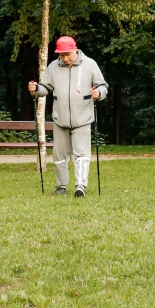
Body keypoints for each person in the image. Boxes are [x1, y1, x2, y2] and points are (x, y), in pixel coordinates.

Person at [28, 36, 108, 197]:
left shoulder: (90, 64)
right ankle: (61, 187)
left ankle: (80, 186)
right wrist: (36, 89)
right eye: (62, 55)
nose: (65, 58)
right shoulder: (53, 67)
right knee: (59, 155)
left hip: (83, 118)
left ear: (75, 49)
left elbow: (103, 86)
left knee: (82, 154)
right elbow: (45, 88)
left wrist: (98, 93)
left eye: (67, 54)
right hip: (60, 119)